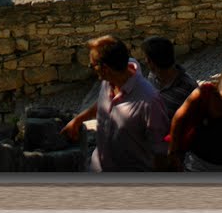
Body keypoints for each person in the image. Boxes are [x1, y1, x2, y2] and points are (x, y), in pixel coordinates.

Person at [61, 35, 169, 172]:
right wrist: (78, 120)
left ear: (104, 68)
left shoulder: (150, 101)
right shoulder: (108, 82)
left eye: (92, 65)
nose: (91, 69)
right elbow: (103, 105)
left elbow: (160, 152)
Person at [141, 36, 198, 120]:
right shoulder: (152, 76)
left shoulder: (189, 87)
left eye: (147, 58)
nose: (145, 61)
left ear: (151, 62)